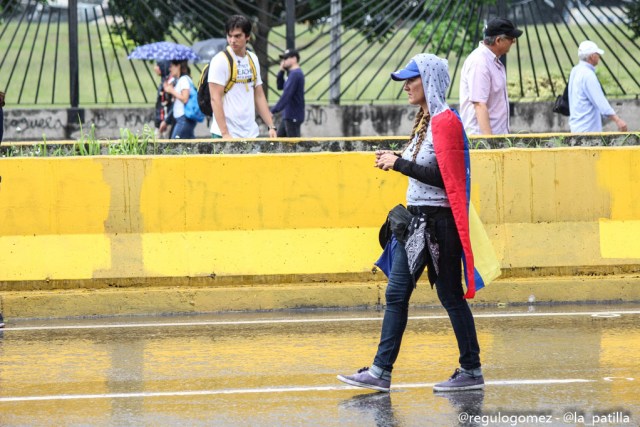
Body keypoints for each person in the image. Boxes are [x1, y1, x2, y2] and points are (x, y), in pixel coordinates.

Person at [337, 54, 484, 393]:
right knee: (397, 292)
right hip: (417, 223)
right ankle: (380, 371)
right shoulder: (426, 120)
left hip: (438, 224)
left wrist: (399, 163)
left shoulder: (446, 122)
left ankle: (471, 370)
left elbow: (446, 179)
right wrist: (396, 161)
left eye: (411, 79)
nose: (406, 86)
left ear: (428, 80)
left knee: (449, 295)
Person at [208, 15, 277, 139]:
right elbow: (215, 98)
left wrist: (271, 126)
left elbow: (259, 95)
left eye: (237, 36)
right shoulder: (220, 61)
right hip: (225, 134)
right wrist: (225, 134)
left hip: (250, 133)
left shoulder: (252, 59)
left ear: (247, 37)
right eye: (230, 36)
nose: (232, 40)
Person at [459, 18, 522, 135]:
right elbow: (479, 105)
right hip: (481, 141)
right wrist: (489, 145)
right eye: (511, 39)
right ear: (498, 40)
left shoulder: (491, 60)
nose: (513, 42)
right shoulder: (480, 62)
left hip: (494, 139)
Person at [568, 41, 627, 133]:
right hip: (588, 129)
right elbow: (600, 102)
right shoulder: (588, 74)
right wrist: (617, 120)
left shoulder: (575, 71)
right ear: (592, 56)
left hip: (576, 127)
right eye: (597, 54)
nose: (599, 56)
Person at [270, 48, 305, 137]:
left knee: (293, 146)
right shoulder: (291, 74)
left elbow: (287, 95)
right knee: (280, 142)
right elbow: (280, 86)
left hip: (294, 115)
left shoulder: (296, 74)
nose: (283, 61)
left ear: (294, 59)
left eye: (286, 58)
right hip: (288, 115)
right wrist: (281, 71)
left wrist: (274, 110)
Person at [163, 60, 197, 139]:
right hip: (182, 119)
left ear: (178, 66)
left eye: (171, 66)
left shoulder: (184, 80)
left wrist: (171, 90)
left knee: (174, 146)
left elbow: (185, 99)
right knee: (189, 146)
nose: (170, 69)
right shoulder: (180, 80)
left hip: (184, 119)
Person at [154, 60, 175, 138]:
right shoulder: (163, 81)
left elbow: (171, 104)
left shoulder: (170, 83)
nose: (155, 68)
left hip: (166, 122)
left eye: (157, 65)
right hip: (160, 121)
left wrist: (166, 121)